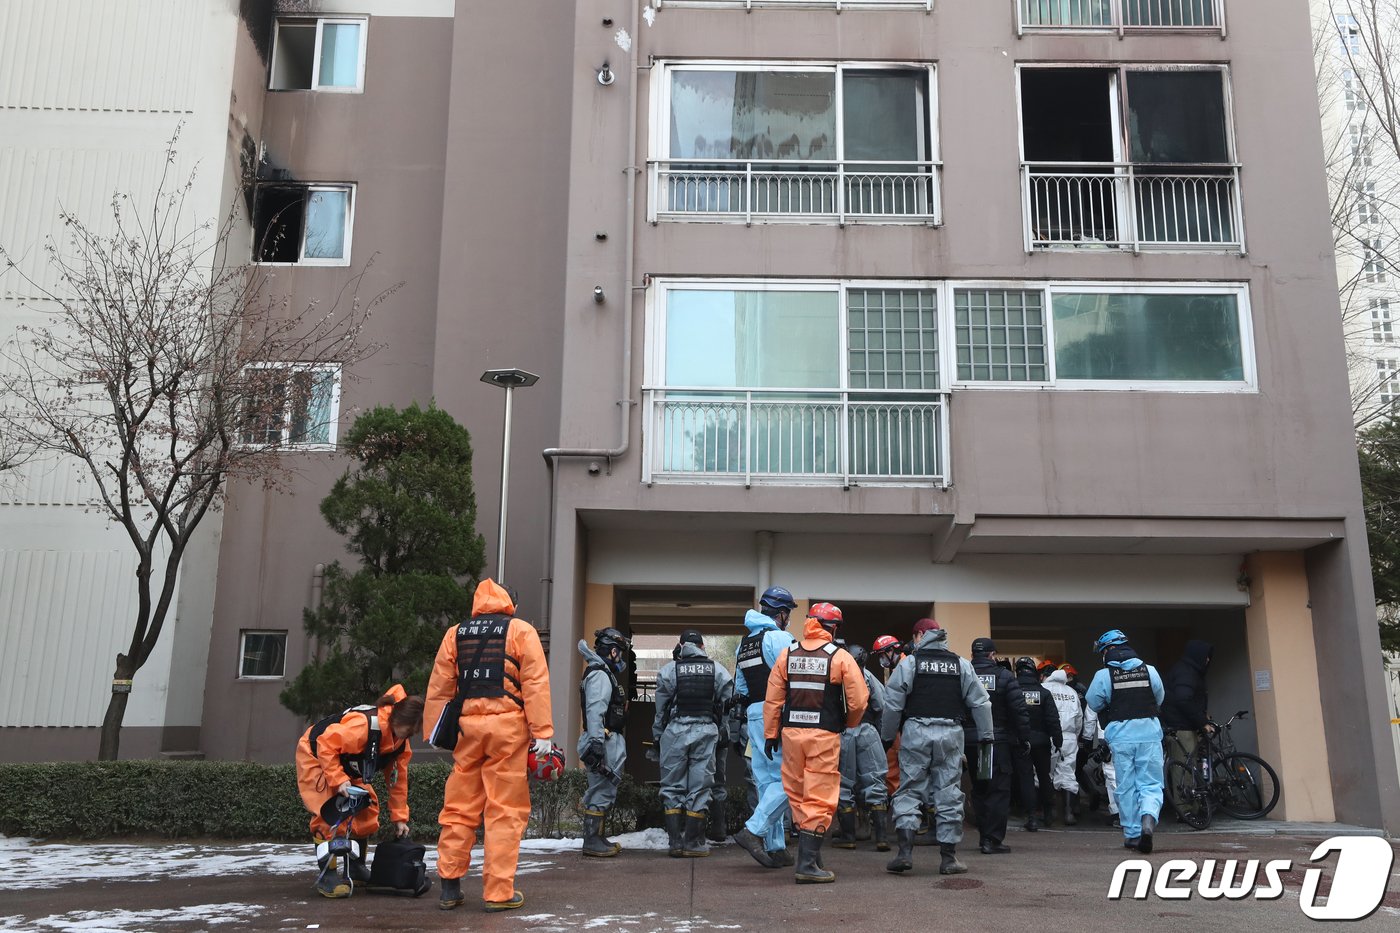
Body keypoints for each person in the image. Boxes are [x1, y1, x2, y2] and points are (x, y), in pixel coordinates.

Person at [425, 579, 553, 912]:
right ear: (510, 602)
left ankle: (450, 887)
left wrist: (435, 732)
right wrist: (543, 733)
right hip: (508, 731)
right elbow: (535, 684)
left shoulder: (456, 633)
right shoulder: (521, 631)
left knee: (459, 807)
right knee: (504, 812)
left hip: (468, 731)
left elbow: (440, 685)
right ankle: (498, 893)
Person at [763, 602, 868, 883]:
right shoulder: (840, 657)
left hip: (791, 735)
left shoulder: (787, 654)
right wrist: (849, 723)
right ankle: (807, 865)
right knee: (819, 796)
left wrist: (771, 733)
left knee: (797, 793)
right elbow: (858, 700)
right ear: (832, 628)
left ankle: (811, 856)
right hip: (823, 735)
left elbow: (773, 700)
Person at [881, 618, 992, 877]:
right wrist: (986, 736)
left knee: (909, 789)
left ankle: (905, 854)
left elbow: (893, 704)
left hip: (916, 731)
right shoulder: (961, 664)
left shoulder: (909, 664)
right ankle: (949, 859)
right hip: (951, 734)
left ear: (921, 636)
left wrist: (887, 737)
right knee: (949, 792)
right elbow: (981, 703)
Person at [296, 685, 423, 898]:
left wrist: (400, 817)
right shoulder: (362, 726)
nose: (410, 734)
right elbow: (325, 744)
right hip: (316, 754)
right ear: (399, 719)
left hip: (347, 765)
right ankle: (328, 874)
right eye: (409, 728)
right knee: (329, 813)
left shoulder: (400, 744)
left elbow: (398, 781)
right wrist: (338, 780)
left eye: (413, 731)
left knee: (367, 809)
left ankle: (355, 866)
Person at [732, 585, 799, 869]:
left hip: (754, 715)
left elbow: (740, 687)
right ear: (781, 614)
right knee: (792, 779)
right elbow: (796, 676)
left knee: (766, 781)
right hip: (778, 713)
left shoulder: (743, 643)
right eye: (788, 614)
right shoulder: (781, 638)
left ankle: (775, 847)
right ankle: (753, 831)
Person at [653, 629, 734, 858]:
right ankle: (693, 843)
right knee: (700, 787)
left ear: (680, 646)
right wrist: (723, 732)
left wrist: (658, 736)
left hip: (675, 732)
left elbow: (660, 710)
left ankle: (675, 843)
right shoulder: (718, 670)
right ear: (702, 647)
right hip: (706, 732)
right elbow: (726, 706)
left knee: (672, 786)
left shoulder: (669, 671)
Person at [1085, 629, 1165, 854]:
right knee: (1150, 784)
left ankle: (1132, 835)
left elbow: (1093, 702)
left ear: (1107, 651)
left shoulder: (1104, 675)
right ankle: (1148, 822)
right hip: (1149, 734)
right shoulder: (1150, 671)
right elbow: (1158, 698)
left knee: (1126, 786)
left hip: (1121, 737)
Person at [965, 638, 1031, 855]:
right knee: (999, 790)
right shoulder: (1004, 676)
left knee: (979, 789)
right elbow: (1018, 710)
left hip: (970, 741)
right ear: (992, 655)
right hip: (997, 741)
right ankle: (992, 840)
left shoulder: (964, 674)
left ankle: (984, 836)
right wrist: (1023, 738)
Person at [577, 626, 632, 858]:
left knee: (604, 789)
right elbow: (595, 710)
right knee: (600, 789)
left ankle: (597, 838)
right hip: (603, 739)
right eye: (618, 651)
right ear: (611, 651)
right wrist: (597, 742)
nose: (619, 656)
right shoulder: (600, 674)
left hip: (605, 737)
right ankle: (592, 841)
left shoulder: (601, 672)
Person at [832, 644, 890, 851]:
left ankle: (848, 837)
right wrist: (882, 737)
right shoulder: (868, 676)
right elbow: (882, 706)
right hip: (868, 731)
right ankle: (882, 837)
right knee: (875, 781)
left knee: (843, 785)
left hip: (843, 732)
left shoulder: (836, 674)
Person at [1011, 657, 1061, 831]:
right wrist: (1058, 739)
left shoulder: (1013, 691)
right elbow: (1053, 719)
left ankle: (1031, 817)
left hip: (1021, 742)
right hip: (1042, 742)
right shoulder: (1044, 693)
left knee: (1026, 779)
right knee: (1044, 776)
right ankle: (1048, 814)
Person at [1043, 665, 1091, 826]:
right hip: (1069, 737)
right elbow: (1079, 719)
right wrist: (1075, 736)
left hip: (1048, 735)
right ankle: (1069, 813)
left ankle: (1047, 812)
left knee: (1043, 773)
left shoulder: (1043, 688)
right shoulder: (1071, 693)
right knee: (1068, 773)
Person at [1160, 639, 1215, 765]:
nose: (1207, 660)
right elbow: (1183, 699)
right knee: (1185, 770)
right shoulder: (1186, 673)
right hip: (1182, 727)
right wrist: (1202, 722)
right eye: (1205, 656)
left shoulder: (1188, 671)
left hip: (1183, 725)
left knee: (1188, 766)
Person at [871, 634, 905, 809]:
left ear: (891, 650)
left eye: (881, 655)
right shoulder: (900, 667)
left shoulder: (904, 668)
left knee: (895, 762)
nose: (881, 660)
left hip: (904, 726)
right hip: (902, 725)